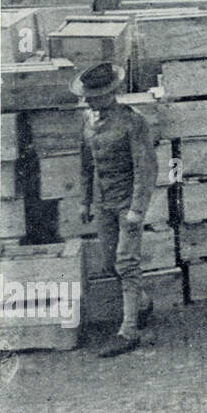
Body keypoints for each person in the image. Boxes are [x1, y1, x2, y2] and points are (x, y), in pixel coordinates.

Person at [75, 62, 158, 359]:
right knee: (110, 262)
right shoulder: (87, 120)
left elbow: (145, 168)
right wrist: (85, 201)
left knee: (126, 263)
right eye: (89, 96)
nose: (90, 101)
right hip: (103, 202)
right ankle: (143, 302)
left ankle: (129, 331)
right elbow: (86, 165)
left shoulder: (133, 122)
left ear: (113, 93)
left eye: (96, 96)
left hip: (127, 204)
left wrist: (137, 209)